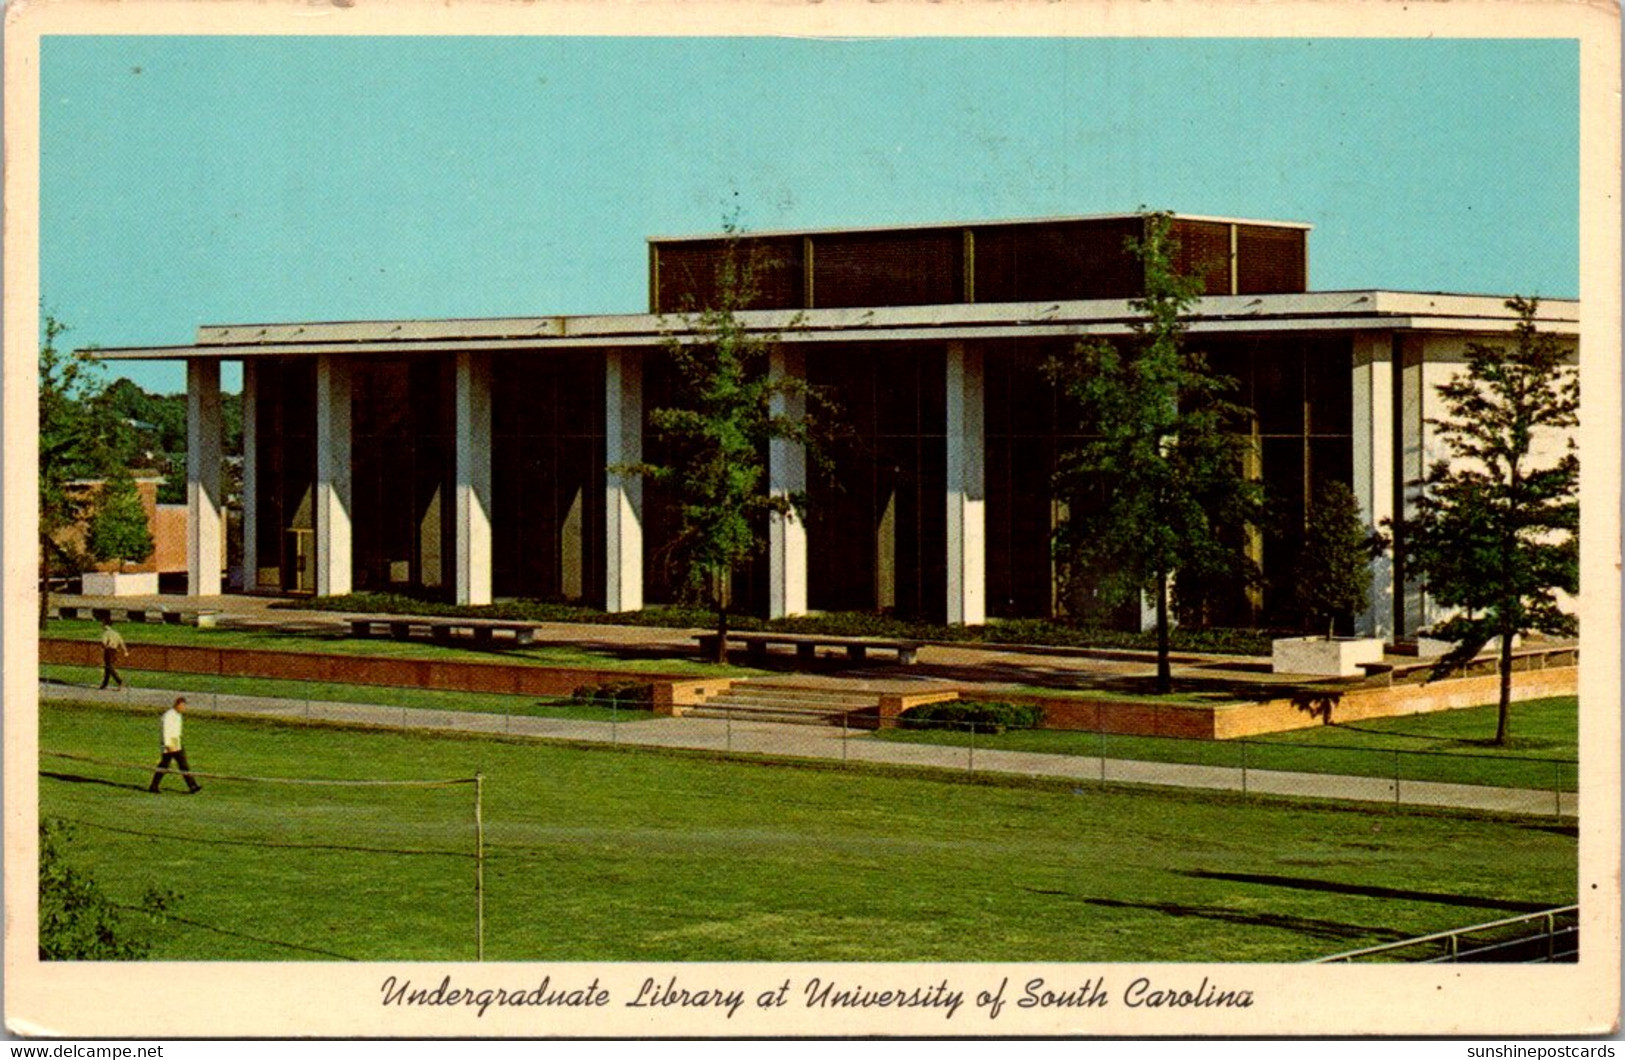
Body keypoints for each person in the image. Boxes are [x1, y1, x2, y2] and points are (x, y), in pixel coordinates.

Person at [149, 697, 202, 794]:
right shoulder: (169, 715)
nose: (184, 708)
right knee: (171, 765)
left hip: (176, 742)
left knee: (173, 765)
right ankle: (192, 785)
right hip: (170, 743)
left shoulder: (178, 715)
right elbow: (166, 730)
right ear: (177, 705)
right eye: (182, 706)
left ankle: (192, 785)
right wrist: (168, 744)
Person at [99, 618, 128, 690]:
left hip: (108, 650)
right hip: (114, 651)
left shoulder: (106, 633)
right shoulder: (116, 633)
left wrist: (104, 647)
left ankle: (119, 681)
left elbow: (104, 642)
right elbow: (121, 643)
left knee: (109, 667)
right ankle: (104, 684)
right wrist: (125, 651)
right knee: (108, 667)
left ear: (105, 624)